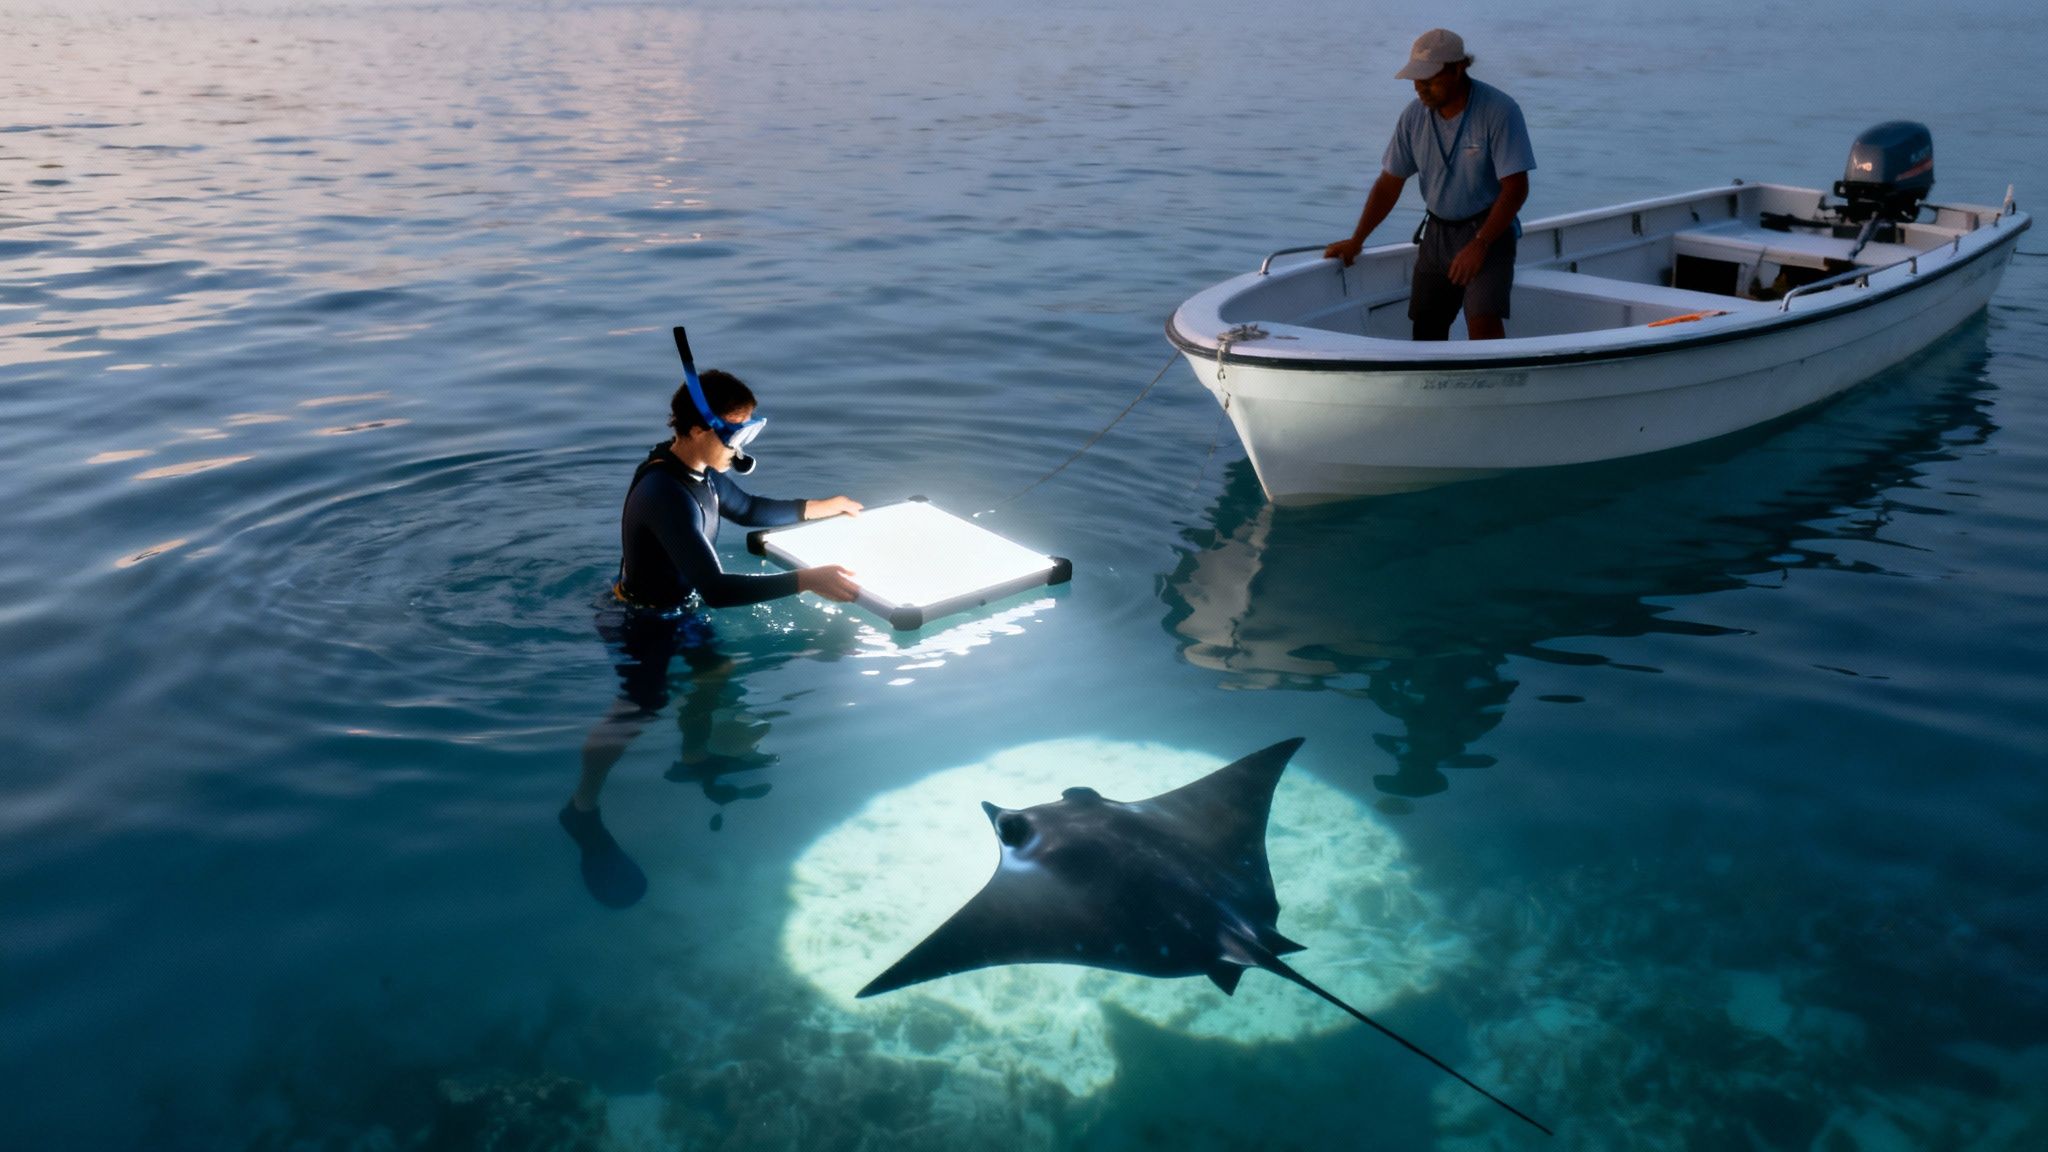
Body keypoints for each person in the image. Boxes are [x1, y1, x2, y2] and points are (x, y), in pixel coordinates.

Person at [561, 366, 863, 907]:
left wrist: (827, 505)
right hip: (641, 619)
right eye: (736, 433)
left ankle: (696, 757)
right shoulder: (665, 492)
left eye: (751, 430)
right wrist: (807, 580)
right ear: (699, 430)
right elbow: (718, 588)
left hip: (680, 609)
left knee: (715, 673)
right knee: (639, 707)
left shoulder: (699, 472)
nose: (743, 445)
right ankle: (581, 809)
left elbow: (748, 509)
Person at [1324, 28, 1535, 342]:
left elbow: (1516, 188)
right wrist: (1357, 240)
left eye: (1430, 78)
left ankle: (1492, 389)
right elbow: (1388, 184)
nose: (1420, 87)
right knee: (1425, 328)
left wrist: (1479, 245)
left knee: (1483, 325)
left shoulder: (1499, 111)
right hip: (1436, 232)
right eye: (1415, 78)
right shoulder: (1413, 117)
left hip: (1489, 230)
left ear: (1457, 69)